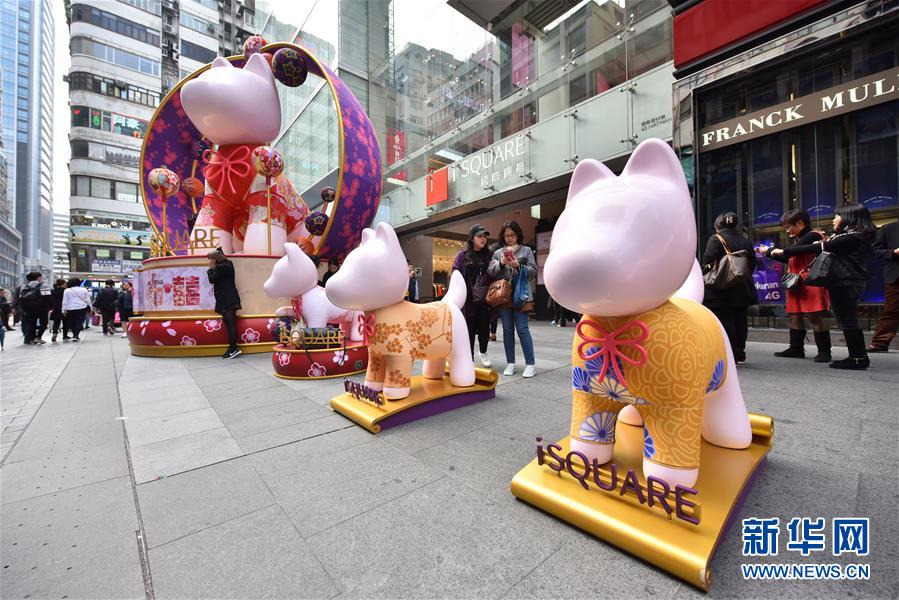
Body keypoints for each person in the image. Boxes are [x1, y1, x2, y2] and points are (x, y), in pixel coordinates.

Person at [764, 204, 875, 370]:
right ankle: (857, 356)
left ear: (850, 217)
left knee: (847, 321)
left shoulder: (852, 237)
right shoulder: (849, 235)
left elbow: (818, 247)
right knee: (846, 321)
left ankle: (857, 357)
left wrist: (777, 251)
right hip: (843, 281)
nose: (834, 219)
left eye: (837, 216)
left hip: (845, 281)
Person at [761, 209, 832, 362]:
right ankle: (796, 348)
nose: (787, 231)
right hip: (795, 281)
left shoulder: (814, 235)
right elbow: (789, 259)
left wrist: (770, 251)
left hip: (812, 281)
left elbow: (788, 254)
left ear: (800, 223)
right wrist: (769, 253)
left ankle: (824, 351)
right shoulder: (800, 238)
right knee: (794, 314)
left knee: (815, 315)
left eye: (789, 227)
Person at [701, 212, 758, 364]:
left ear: (718, 224)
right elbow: (752, 263)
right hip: (742, 287)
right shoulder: (745, 241)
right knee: (740, 320)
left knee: (725, 320)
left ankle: (729, 353)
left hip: (720, 289)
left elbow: (707, 260)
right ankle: (740, 352)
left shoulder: (716, 239)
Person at [488, 220, 537, 377]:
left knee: (523, 329)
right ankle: (511, 363)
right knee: (508, 330)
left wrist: (518, 265)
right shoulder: (498, 253)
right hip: (504, 296)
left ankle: (530, 364)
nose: (509, 238)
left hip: (521, 294)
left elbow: (533, 271)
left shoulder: (527, 250)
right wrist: (501, 264)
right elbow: (491, 272)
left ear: (518, 235)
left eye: (512, 235)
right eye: (506, 235)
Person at [452, 224, 493, 367]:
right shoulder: (462, 256)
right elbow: (455, 273)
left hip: (484, 298)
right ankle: (470, 358)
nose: (483, 239)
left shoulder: (489, 255)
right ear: (472, 238)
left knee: (484, 327)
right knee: (468, 329)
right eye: (480, 236)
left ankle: (483, 352)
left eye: (485, 236)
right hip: (467, 298)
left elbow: (494, 274)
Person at [867, 218, 899, 352]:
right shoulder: (889, 228)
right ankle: (880, 343)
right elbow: (875, 251)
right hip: (896, 276)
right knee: (891, 310)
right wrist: (893, 252)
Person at [207, 248, 242, 359]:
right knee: (230, 325)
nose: (212, 261)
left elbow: (212, 279)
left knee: (230, 325)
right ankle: (232, 348)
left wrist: (210, 269)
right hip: (228, 299)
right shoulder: (228, 265)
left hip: (227, 300)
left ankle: (233, 349)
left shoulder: (223, 267)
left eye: (213, 258)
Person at [16, 272, 47, 345]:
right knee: (44, 323)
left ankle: (30, 339)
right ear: (38, 278)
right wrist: (50, 306)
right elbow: (48, 297)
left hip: (28, 308)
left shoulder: (23, 286)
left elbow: (20, 298)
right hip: (41, 307)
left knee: (31, 323)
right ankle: (38, 337)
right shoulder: (43, 286)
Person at [62, 277, 92, 342]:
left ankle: (75, 334)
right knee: (79, 321)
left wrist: (63, 309)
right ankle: (76, 335)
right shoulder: (84, 290)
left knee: (71, 322)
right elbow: (88, 300)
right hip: (82, 308)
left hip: (70, 308)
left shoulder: (67, 290)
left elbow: (64, 301)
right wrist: (90, 309)